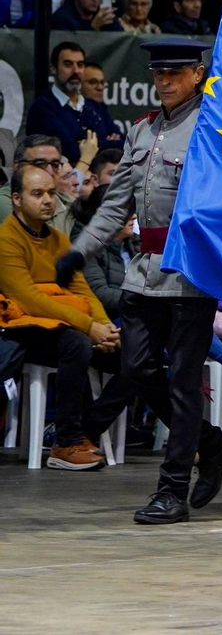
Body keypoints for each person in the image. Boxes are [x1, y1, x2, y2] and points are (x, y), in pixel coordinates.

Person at [58, 39, 222, 524]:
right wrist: (79, 251)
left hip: (190, 276)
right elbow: (117, 204)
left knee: (183, 383)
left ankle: (172, 489)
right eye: (159, 72)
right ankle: (213, 444)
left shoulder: (214, 131)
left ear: (197, 74)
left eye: (175, 72)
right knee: (136, 369)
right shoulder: (141, 131)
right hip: (143, 273)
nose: (165, 80)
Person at [0, 164, 124, 470]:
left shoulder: (59, 240)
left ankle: (88, 429)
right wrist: (89, 326)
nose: (47, 201)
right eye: (37, 193)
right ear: (16, 198)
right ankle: (66, 443)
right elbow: (31, 300)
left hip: (64, 325)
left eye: (52, 194)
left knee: (137, 356)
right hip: (23, 331)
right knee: (76, 342)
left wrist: (104, 325)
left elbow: (82, 290)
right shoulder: (6, 239)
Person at [25, 41, 124, 168]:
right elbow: (70, 151)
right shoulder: (42, 109)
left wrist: (89, 146)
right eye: (68, 64)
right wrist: (107, 142)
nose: (76, 70)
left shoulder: (95, 107)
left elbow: (123, 144)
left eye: (80, 65)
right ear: (54, 68)